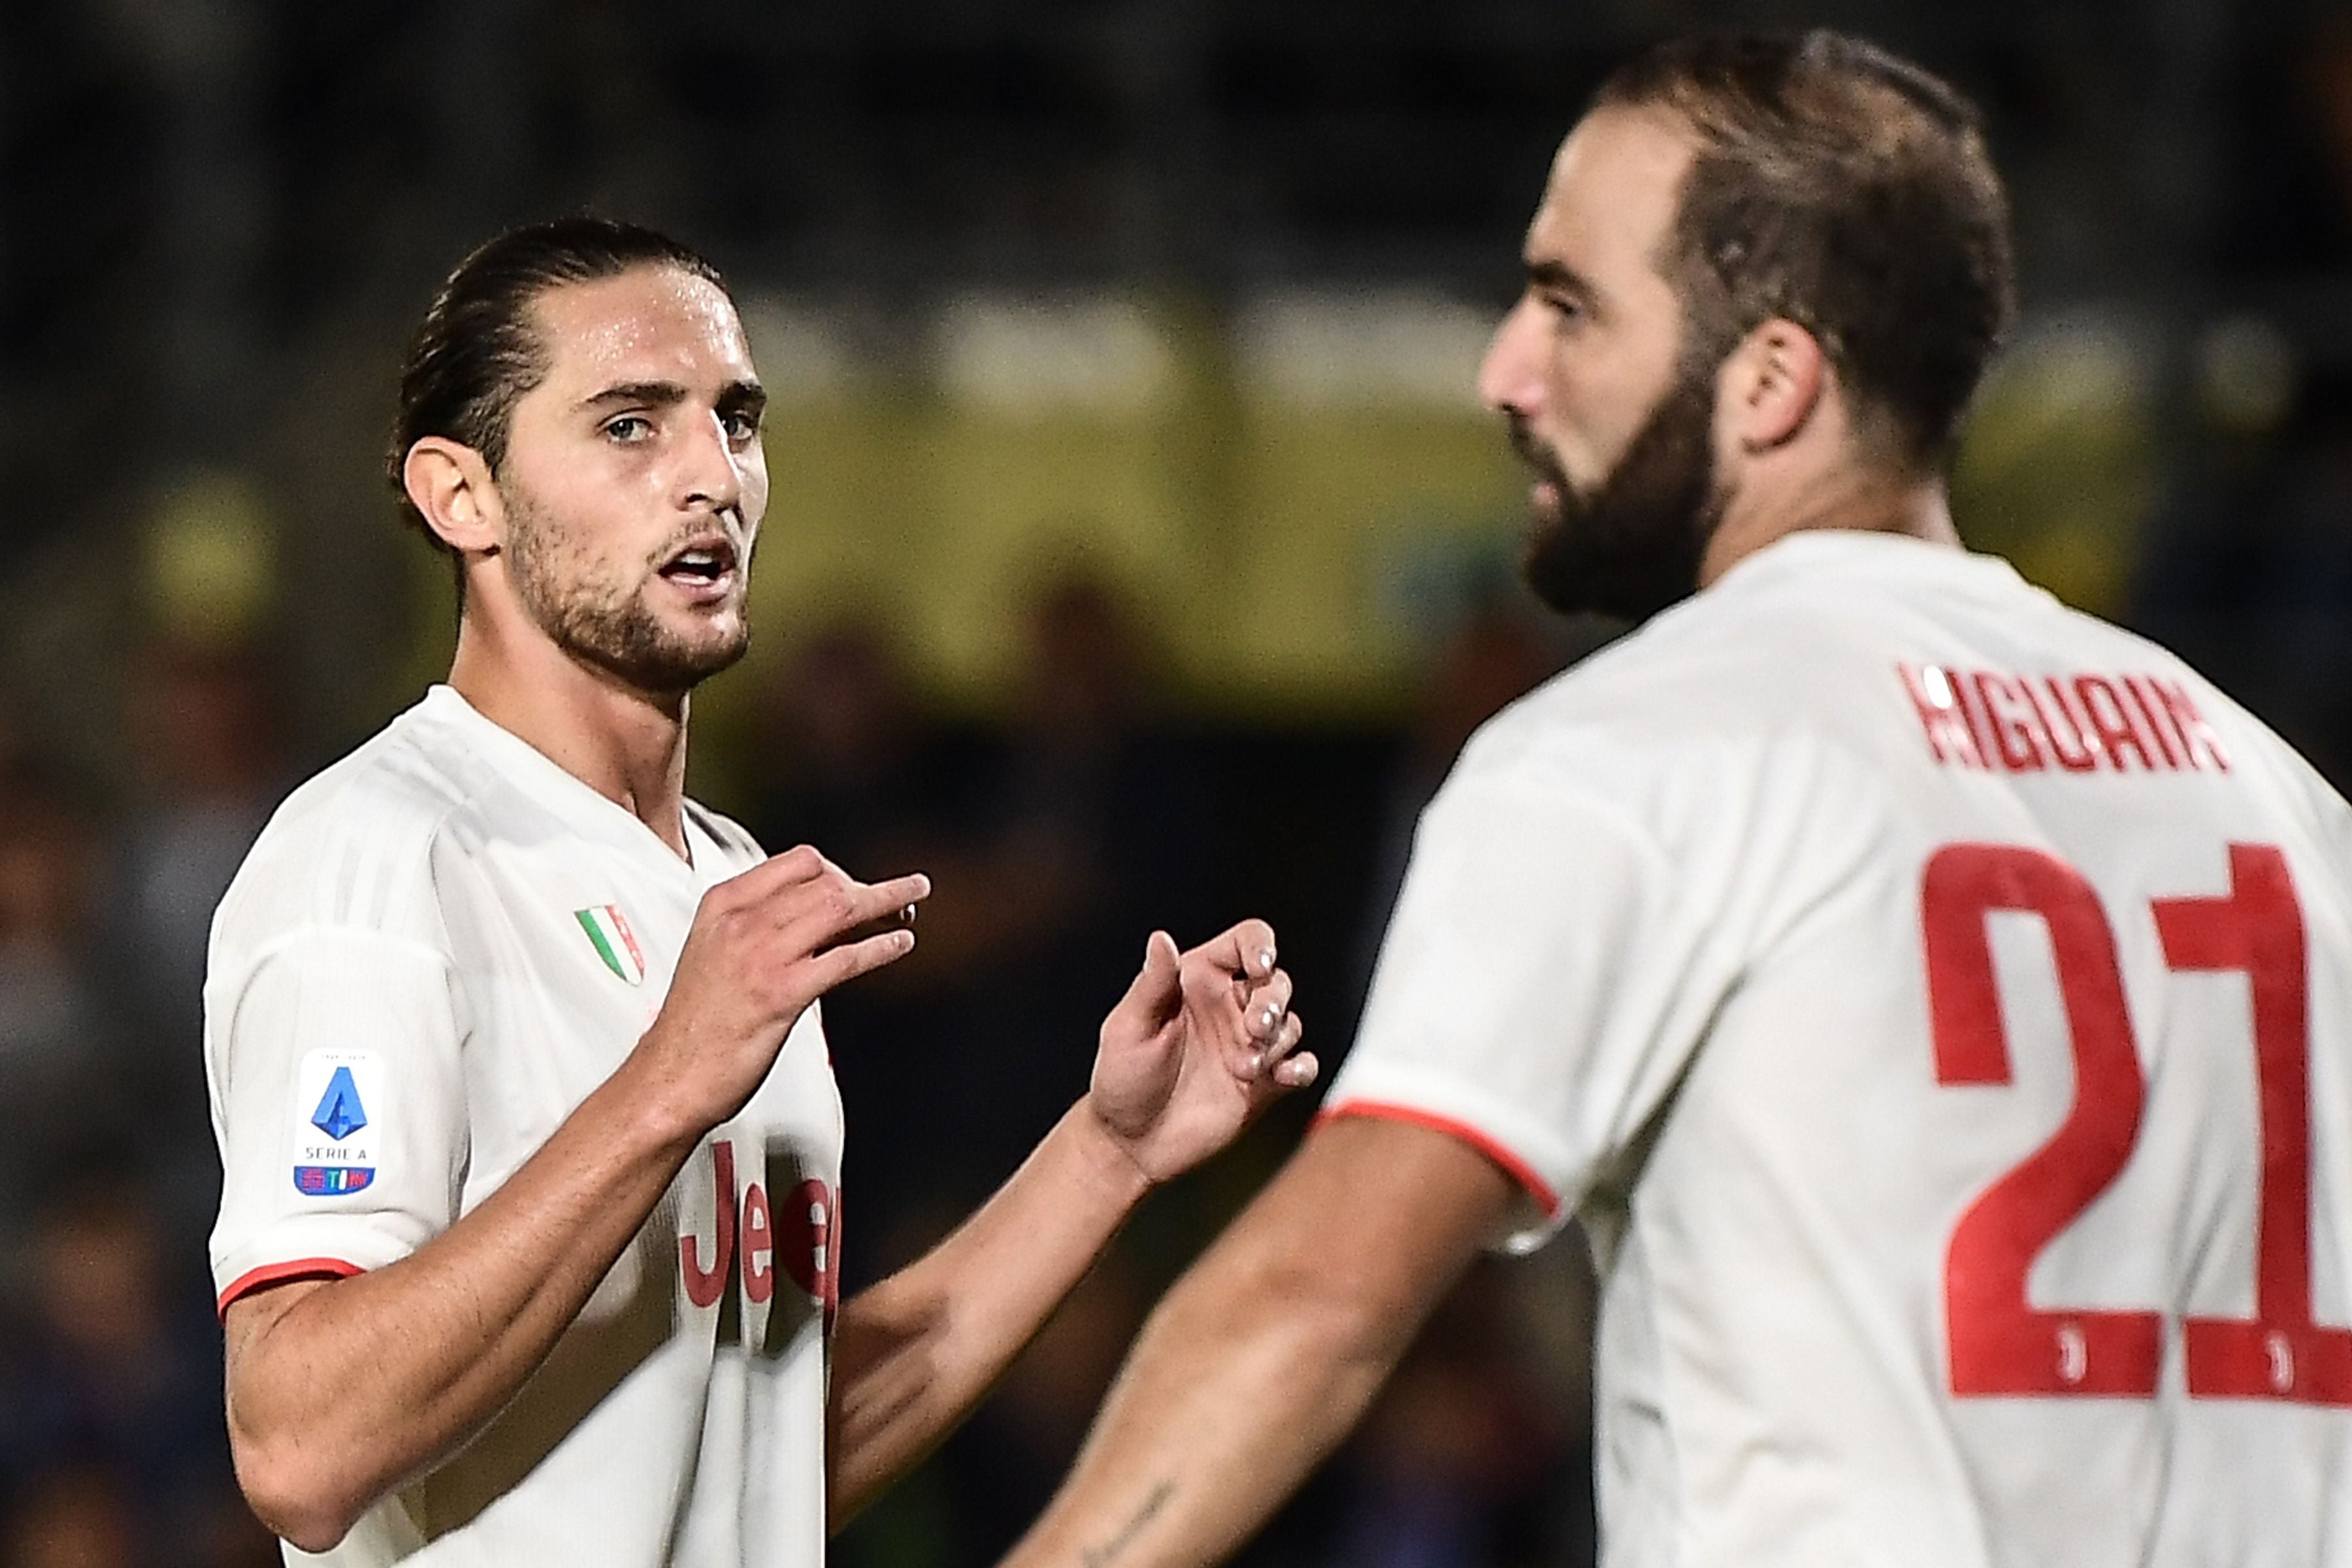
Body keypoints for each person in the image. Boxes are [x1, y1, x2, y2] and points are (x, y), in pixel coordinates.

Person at [1001, 31, 2352, 1568]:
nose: (1505, 370)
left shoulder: (1636, 755)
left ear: (1773, 382)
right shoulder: (2279, 798)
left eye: (1570, 305)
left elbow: (1315, 1304)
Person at [201, 218, 1316, 1565]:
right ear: (463, 497)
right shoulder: (378, 860)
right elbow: (298, 1445)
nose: (710, 477)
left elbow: (765, 1455)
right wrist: (668, 1081)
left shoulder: (726, 878)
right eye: (630, 425)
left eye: (736, 420)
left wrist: (1107, 1152)